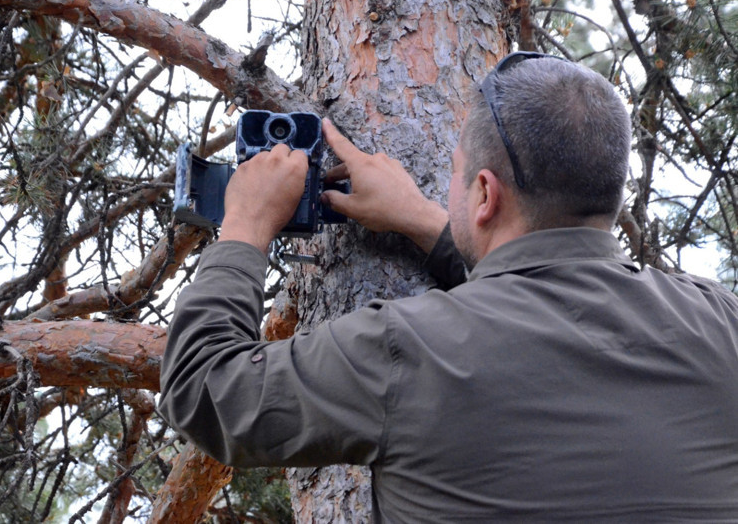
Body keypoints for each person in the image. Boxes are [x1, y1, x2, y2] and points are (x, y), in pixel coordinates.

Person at [158, 53, 738, 522]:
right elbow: (548, 310)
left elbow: (205, 391)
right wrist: (429, 225)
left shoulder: (404, 350)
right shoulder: (724, 323)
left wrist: (245, 227)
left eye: (456, 177)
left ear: (484, 196)